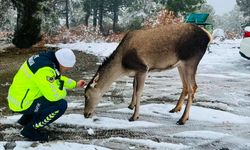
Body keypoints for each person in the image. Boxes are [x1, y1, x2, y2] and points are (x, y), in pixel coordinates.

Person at [7, 48, 85, 141]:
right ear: (62, 63)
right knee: (60, 105)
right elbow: (53, 96)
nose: (67, 70)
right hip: (22, 103)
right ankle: (30, 130)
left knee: (44, 91)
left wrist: (74, 84)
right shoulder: (45, 70)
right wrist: (63, 91)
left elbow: (55, 78)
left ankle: (25, 120)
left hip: (18, 98)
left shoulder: (44, 59)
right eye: (67, 68)